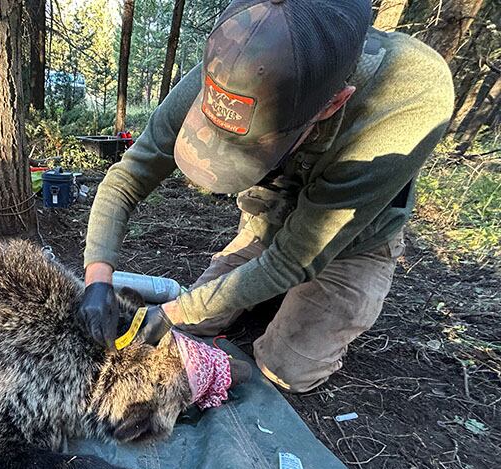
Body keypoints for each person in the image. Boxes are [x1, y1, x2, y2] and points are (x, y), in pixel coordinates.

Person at [78, 0, 454, 393]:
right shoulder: (235, 66)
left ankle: (307, 309)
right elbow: (127, 178)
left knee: (286, 369)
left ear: (335, 103)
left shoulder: (406, 98)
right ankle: (270, 299)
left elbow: (294, 259)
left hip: (352, 245)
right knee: (193, 323)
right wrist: (98, 279)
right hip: (268, 222)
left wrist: (171, 312)